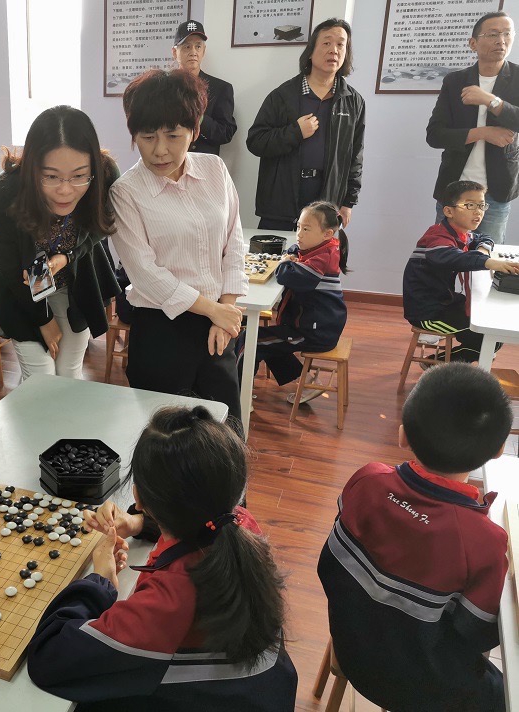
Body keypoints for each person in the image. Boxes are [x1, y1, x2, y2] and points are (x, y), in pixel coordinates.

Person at [27, 406, 297, 711]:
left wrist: (99, 582)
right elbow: (198, 521)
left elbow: (49, 657)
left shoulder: (167, 602)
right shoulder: (238, 522)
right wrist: (138, 524)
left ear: (138, 497)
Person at [318, 363, 514, 712]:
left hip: (351, 646)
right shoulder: (484, 542)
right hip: (421, 689)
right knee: (507, 694)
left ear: (403, 435)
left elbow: (330, 566)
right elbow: (480, 635)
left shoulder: (366, 480)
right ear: (500, 449)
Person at [110, 69, 246, 422]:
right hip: (161, 331)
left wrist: (226, 310)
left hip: (218, 326)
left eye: (173, 135)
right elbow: (145, 274)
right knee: (162, 438)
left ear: (194, 130)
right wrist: (214, 310)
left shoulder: (215, 169)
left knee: (225, 431)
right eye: (147, 137)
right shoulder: (125, 192)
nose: (160, 150)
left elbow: (234, 241)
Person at [0, 106, 120, 380]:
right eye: (51, 176)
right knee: (40, 376)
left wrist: (68, 256)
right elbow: (10, 268)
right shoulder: (3, 195)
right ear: (32, 168)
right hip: (21, 288)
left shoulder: (105, 176)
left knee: (69, 371)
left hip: (75, 282)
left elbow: (101, 226)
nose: (65, 190)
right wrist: (43, 319)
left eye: (79, 176)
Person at [247, 18, 365, 231]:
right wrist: (295, 132)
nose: (334, 50)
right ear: (310, 51)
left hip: (327, 203)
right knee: (276, 253)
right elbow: (256, 141)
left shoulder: (353, 101)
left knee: (318, 253)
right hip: (281, 203)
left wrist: (348, 203)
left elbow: (355, 157)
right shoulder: (283, 96)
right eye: (327, 43)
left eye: (341, 44)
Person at [237, 201, 349, 405]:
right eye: (298, 227)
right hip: (318, 326)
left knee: (249, 340)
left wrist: (285, 262)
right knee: (267, 339)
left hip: (314, 332)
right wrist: (290, 257)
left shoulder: (322, 259)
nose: (299, 234)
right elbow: (294, 248)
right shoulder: (323, 248)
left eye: (306, 229)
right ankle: (306, 381)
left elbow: (285, 276)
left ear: (327, 234)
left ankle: (239, 398)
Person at [427, 11, 519, 244]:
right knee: (444, 255)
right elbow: (435, 135)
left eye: (507, 34)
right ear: (473, 43)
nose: (501, 40)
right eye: (493, 34)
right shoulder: (455, 81)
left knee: (486, 260)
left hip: (496, 193)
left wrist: (491, 101)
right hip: (454, 189)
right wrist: (482, 133)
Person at [403, 180, 519, 363]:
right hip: (427, 312)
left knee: (493, 337)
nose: (478, 211)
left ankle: (441, 363)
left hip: (445, 301)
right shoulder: (437, 237)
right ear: (449, 211)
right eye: (470, 205)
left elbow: (483, 237)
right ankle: (437, 367)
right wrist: (489, 262)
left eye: (481, 205)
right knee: (487, 339)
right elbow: (452, 257)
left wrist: (482, 250)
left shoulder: (461, 232)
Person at [171, 20, 237, 156]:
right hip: (167, 160)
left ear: (204, 51)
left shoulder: (221, 88)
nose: (193, 52)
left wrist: (199, 118)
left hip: (202, 163)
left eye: (198, 46)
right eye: (187, 46)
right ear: (174, 52)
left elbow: (225, 133)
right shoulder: (162, 87)